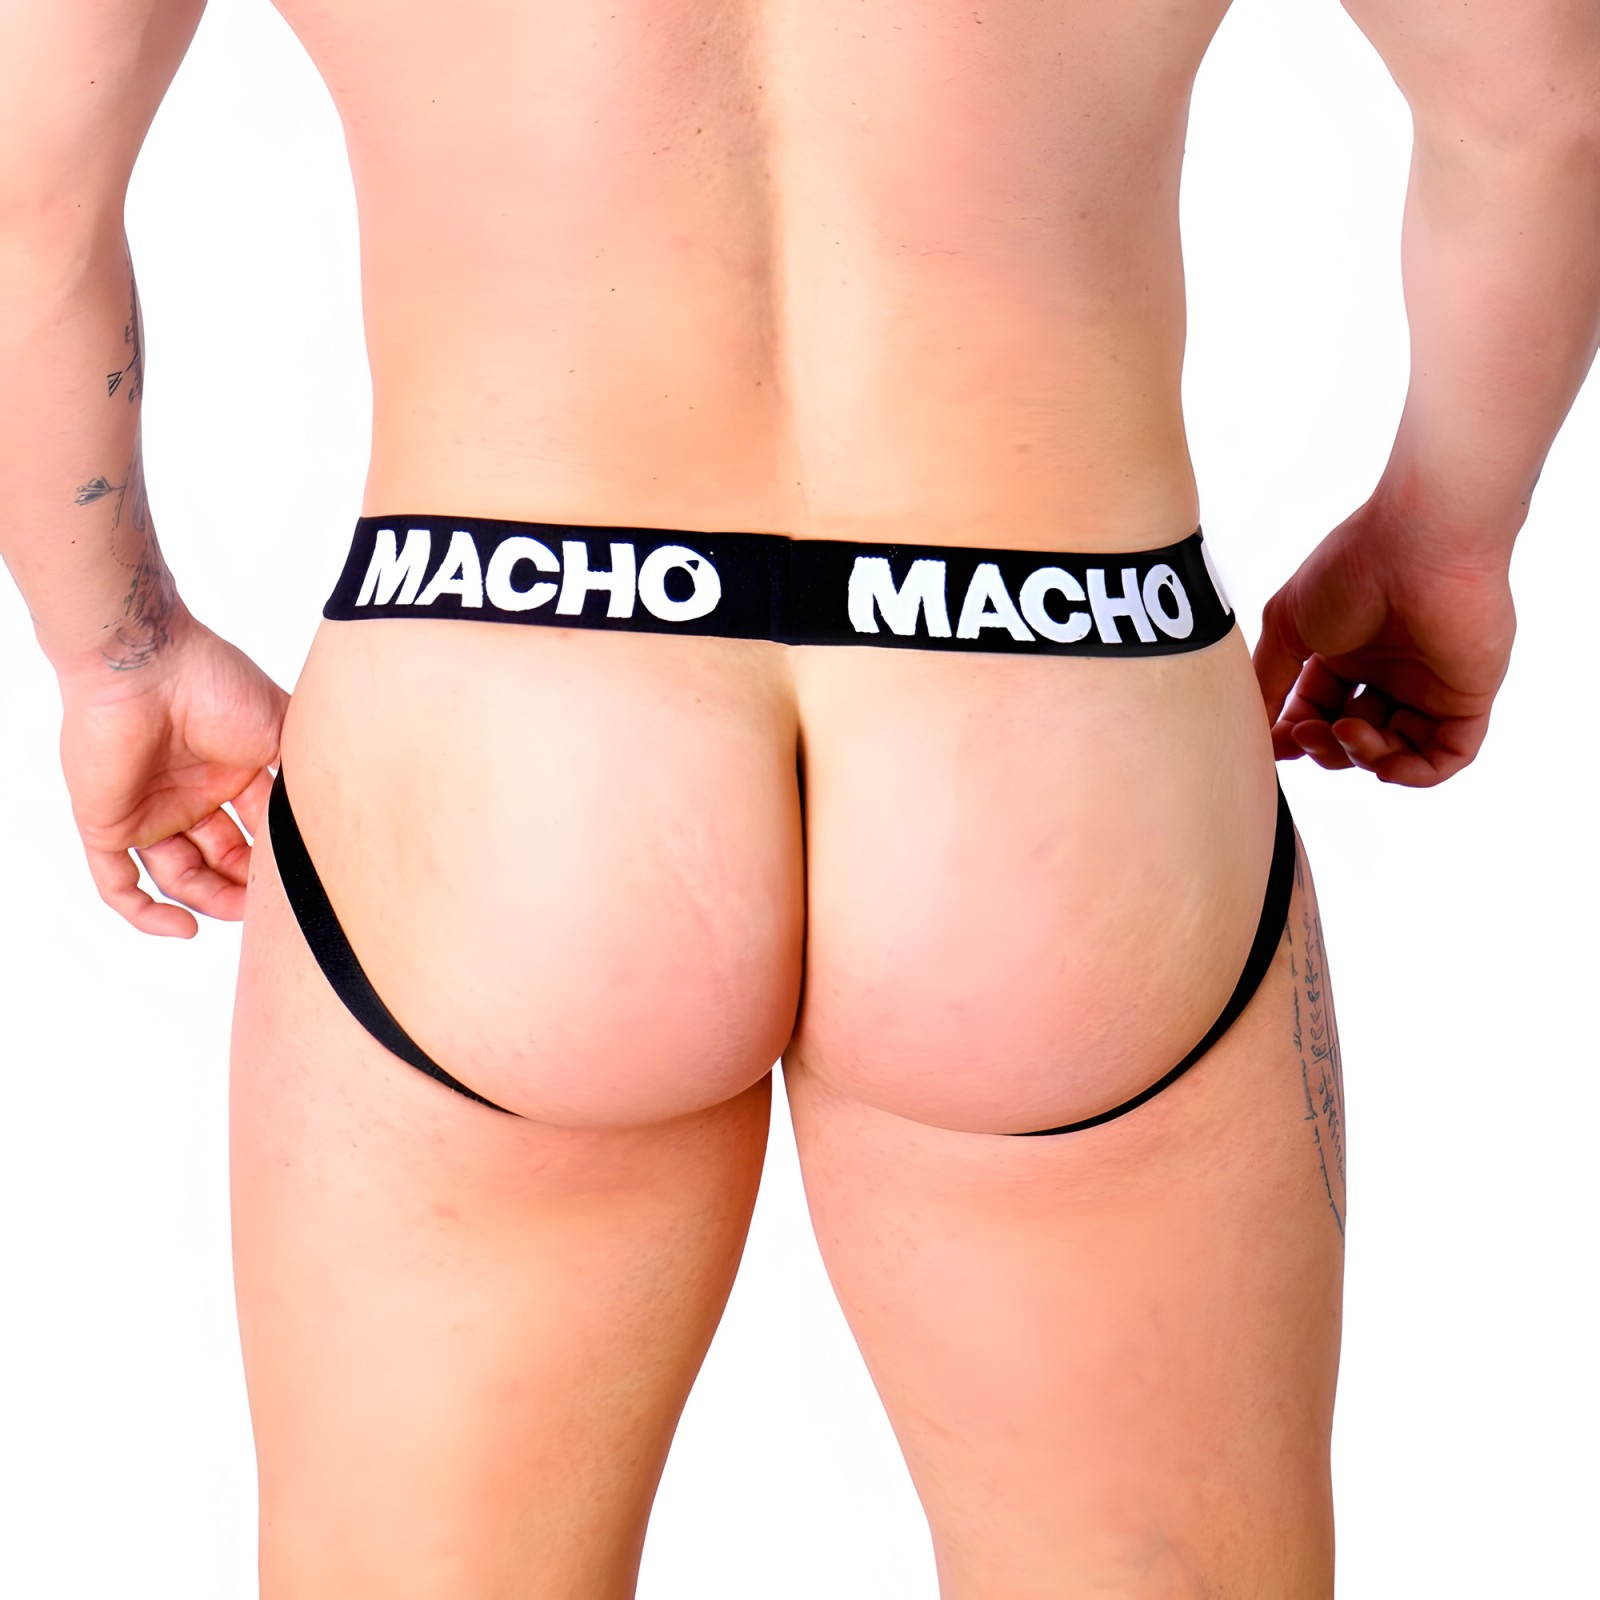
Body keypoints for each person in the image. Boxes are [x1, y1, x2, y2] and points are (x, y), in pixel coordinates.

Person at [1, 1, 1596, 1595]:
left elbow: (25, 191)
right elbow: (1548, 108)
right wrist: (1444, 545)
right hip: (1058, 700)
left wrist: (114, 648)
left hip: (509, 701)